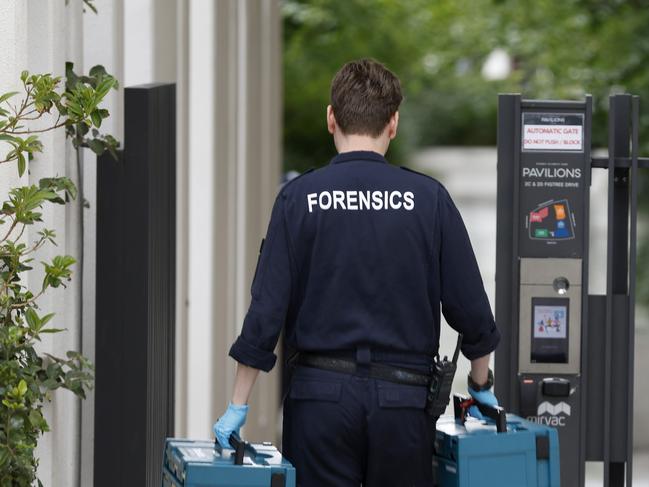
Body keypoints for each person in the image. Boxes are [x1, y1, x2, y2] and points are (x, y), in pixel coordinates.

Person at [214, 58, 500, 486]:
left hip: (319, 402)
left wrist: (239, 404)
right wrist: (480, 387)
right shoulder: (429, 201)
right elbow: (472, 311)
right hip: (402, 405)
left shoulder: (298, 199)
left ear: (332, 118)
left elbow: (266, 311)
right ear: (394, 123)